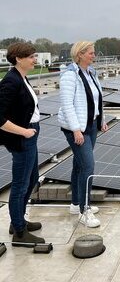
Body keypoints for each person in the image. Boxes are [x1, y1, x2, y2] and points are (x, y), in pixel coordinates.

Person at [58, 41, 108, 228]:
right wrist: (76, 129)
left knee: (79, 164)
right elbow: (67, 105)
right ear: (79, 54)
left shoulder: (91, 74)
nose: (94, 56)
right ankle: (84, 210)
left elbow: (96, 100)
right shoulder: (70, 76)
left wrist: (101, 120)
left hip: (91, 125)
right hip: (77, 128)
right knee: (88, 166)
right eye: (91, 53)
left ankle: (74, 204)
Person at [0, 42, 45, 247]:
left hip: (30, 136)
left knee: (32, 178)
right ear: (19, 58)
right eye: (31, 57)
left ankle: (18, 220)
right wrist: (24, 132)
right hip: (22, 139)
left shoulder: (21, 78)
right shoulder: (11, 81)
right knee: (20, 185)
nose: (35, 60)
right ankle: (19, 232)